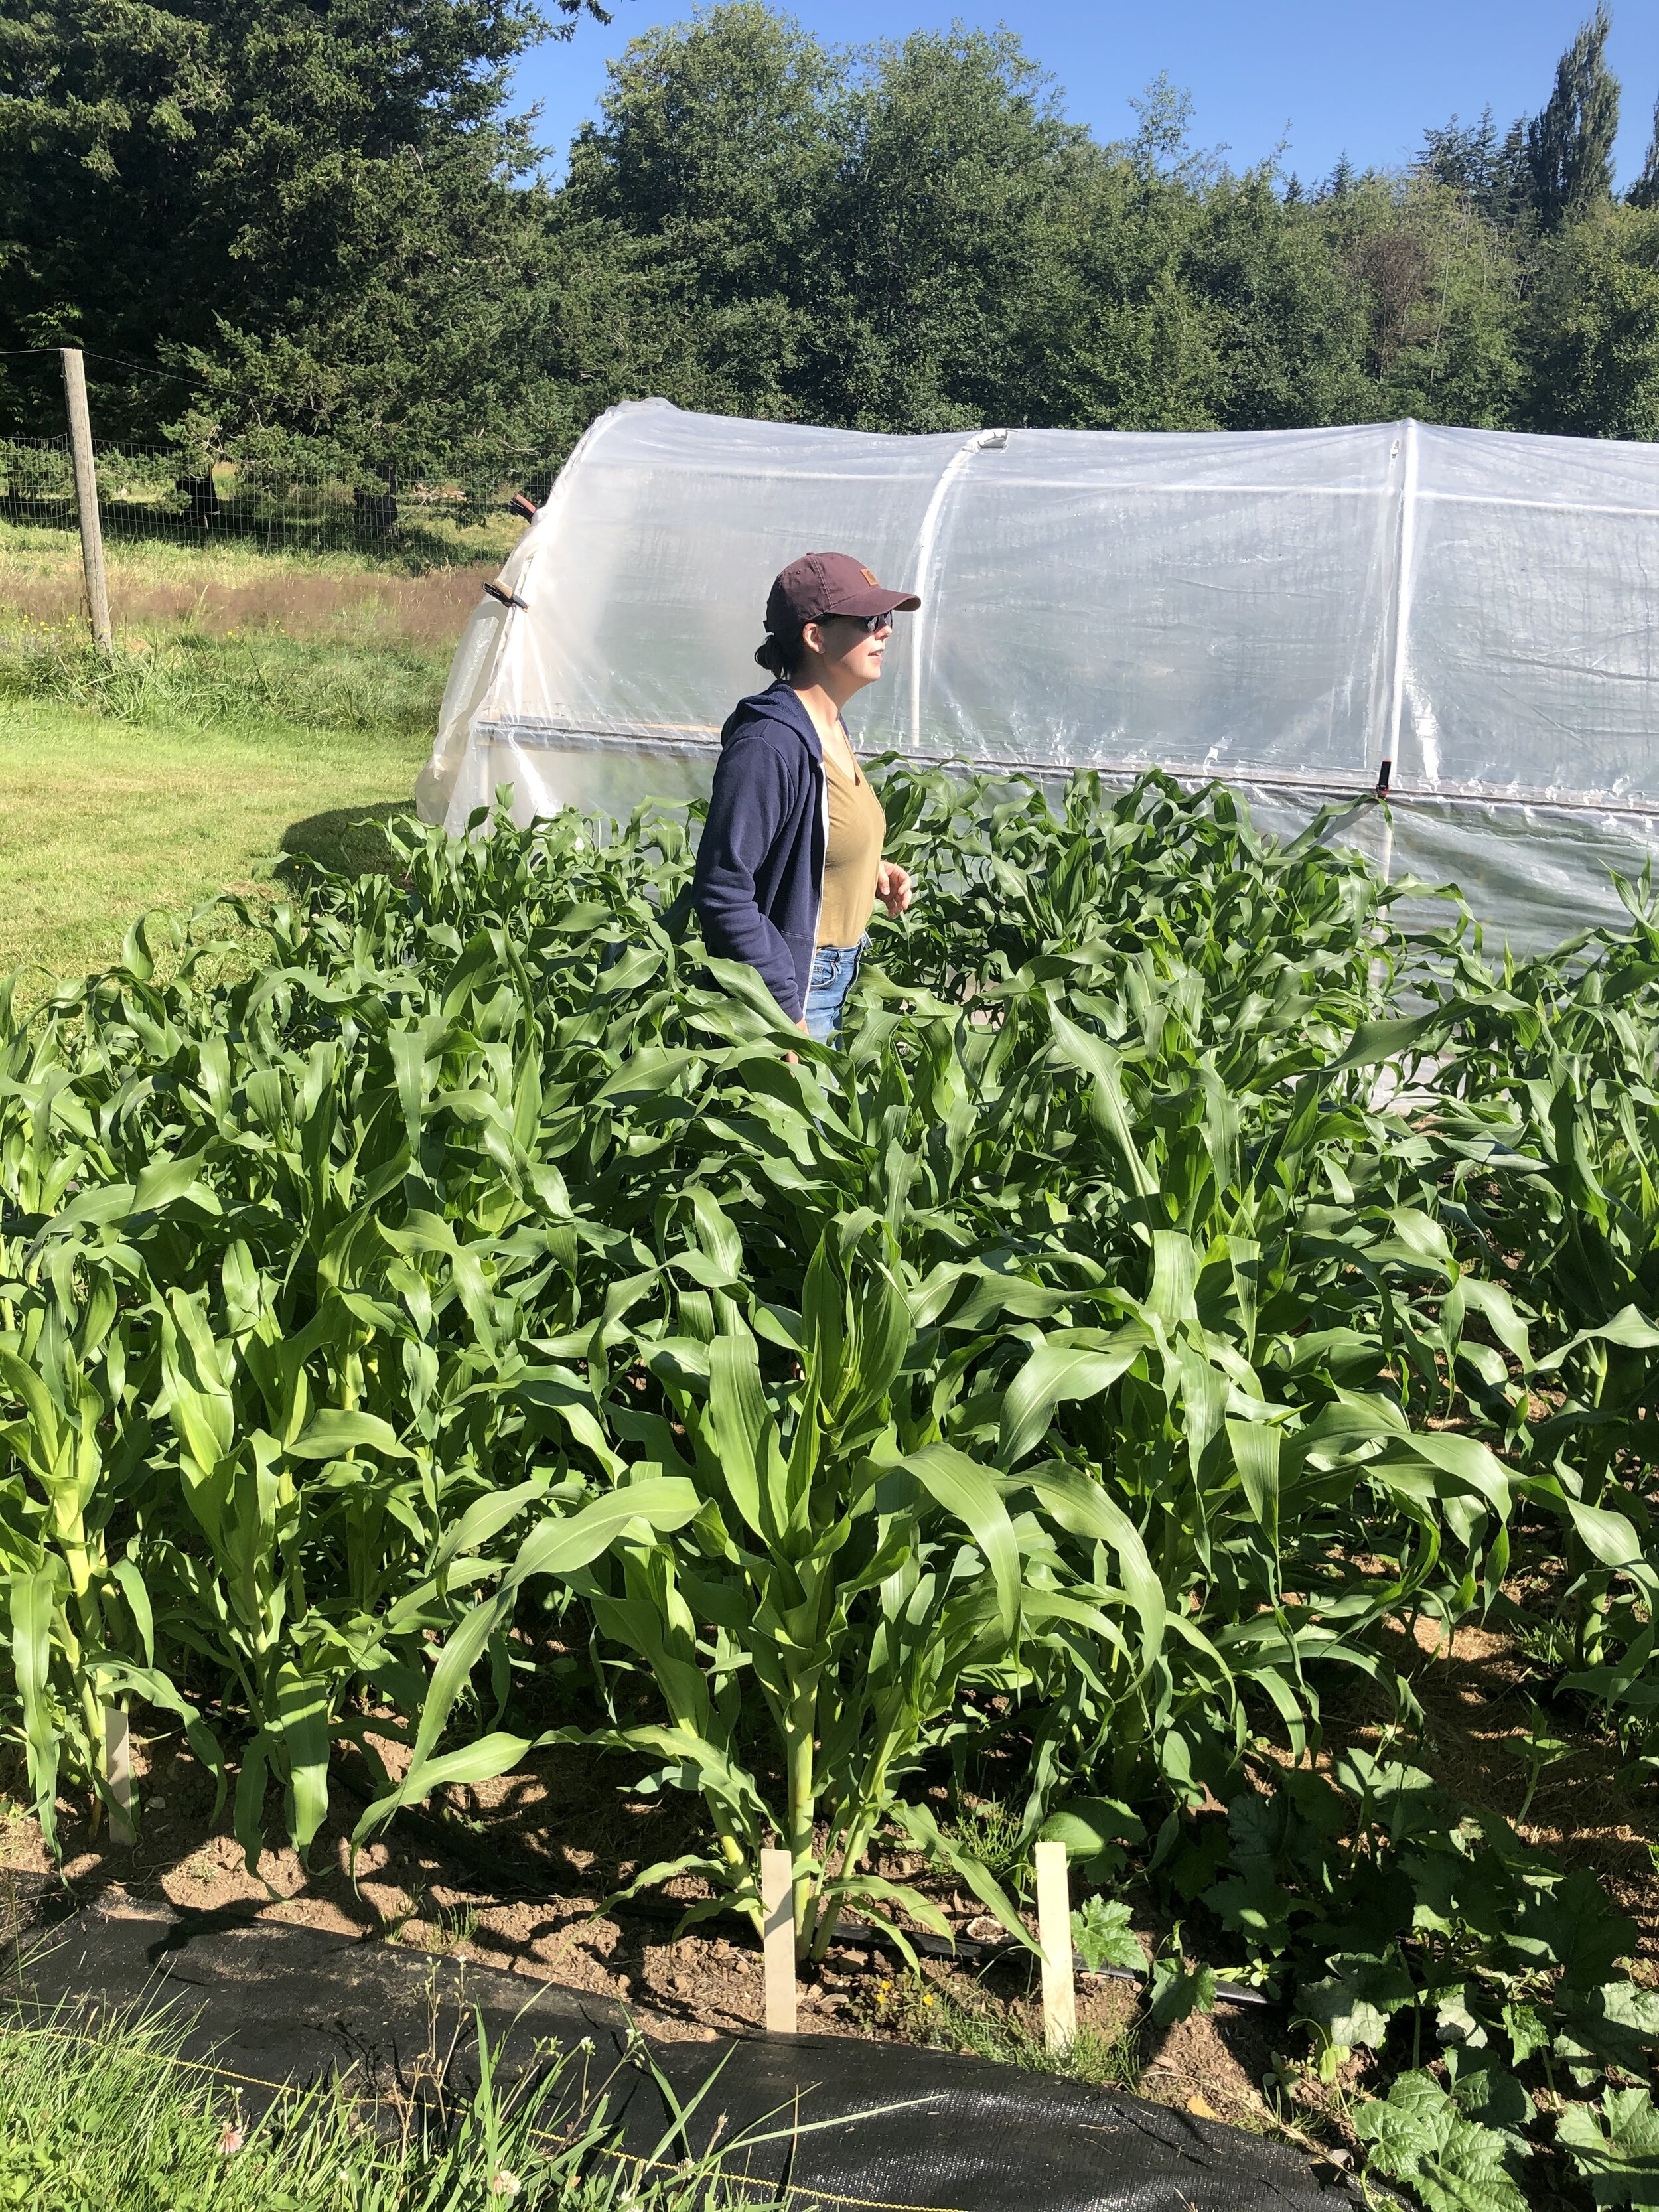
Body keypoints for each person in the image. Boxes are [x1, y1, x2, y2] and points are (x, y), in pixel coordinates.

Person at [691, 552, 918, 1043]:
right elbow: (723, 890)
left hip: (830, 981)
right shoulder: (769, 744)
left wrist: (865, 869)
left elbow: (813, 834)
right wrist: (781, 1006)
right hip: (795, 993)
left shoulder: (828, 724)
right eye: (868, 620)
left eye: (885, 619)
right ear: (815, 637)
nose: (886, 630)